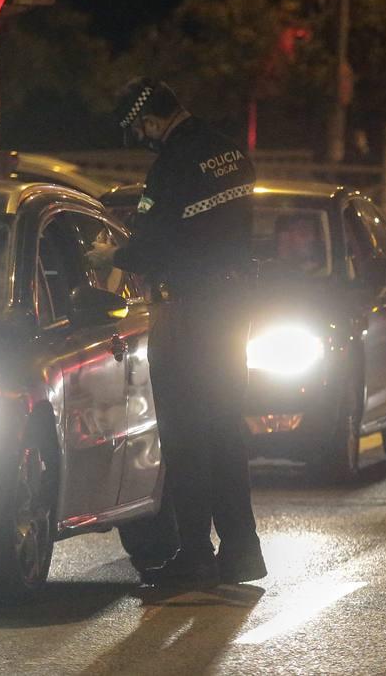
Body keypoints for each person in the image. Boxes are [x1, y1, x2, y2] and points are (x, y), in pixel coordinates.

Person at [106, 77, 266, 590]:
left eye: (140, 129)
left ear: (150, 120)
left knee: (186, 437)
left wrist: (111, 257)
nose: (143, 137)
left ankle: (194, 555)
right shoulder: (230, 152)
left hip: (189, 314)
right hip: (232, 309)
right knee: (224, 431)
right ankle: (242, 552)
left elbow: (152, 243)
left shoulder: (173, 165)